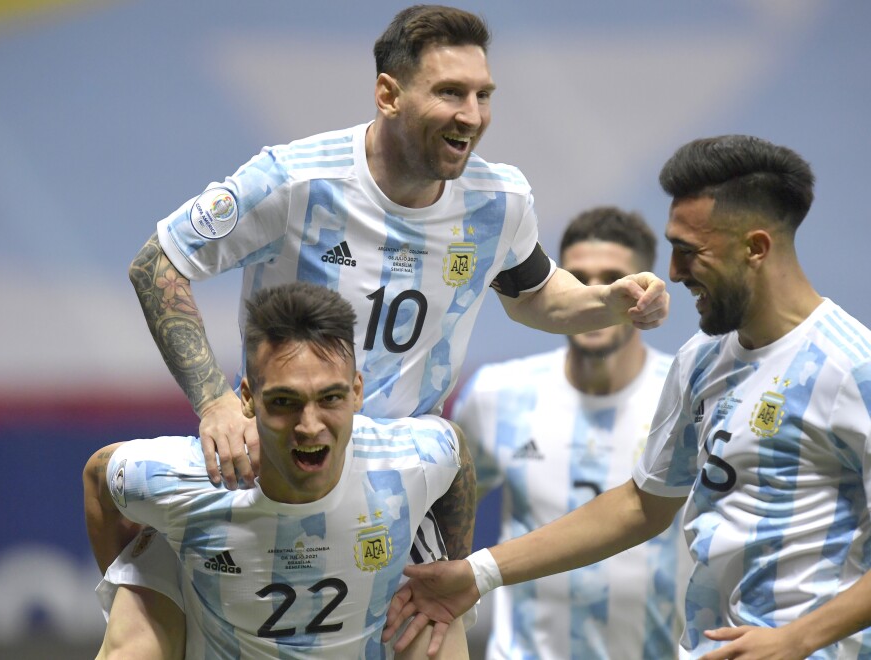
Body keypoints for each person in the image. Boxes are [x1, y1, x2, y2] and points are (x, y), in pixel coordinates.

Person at [111, 3, 668, 655]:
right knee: (133, 643)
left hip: (400, 478)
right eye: (450, 92)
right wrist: (213, 405)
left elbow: (536, 295)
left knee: (436, 641)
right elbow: (156, 266)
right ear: (388, 93)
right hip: (282, 457)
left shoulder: (500, 201)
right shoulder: (295, 179)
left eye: (483, 95)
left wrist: (608, 303)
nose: (473, 115)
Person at [384, 134, 871, 660]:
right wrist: (478, 574)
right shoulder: (702, 360)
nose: (675, 273)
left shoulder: (854, 367)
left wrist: (797, 640)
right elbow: (642, 504)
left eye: (690, 253)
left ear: (756, 247)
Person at [83, 281, 473, 659]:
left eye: (330, 398)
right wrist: (136, 586)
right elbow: (99, 475)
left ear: (357, 392)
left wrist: (450, 571)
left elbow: (458, 458)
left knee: (438, 621)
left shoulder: (411, 460)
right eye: (285, 401)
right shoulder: (192, 479)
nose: (309, 425)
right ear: (248, 399)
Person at [451, 206, 689, 659]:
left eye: (613, 276)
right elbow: (440, 521)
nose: (597, 290)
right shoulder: (498, 394)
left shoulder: (683, 395)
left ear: (645, 286)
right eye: (577, 276)